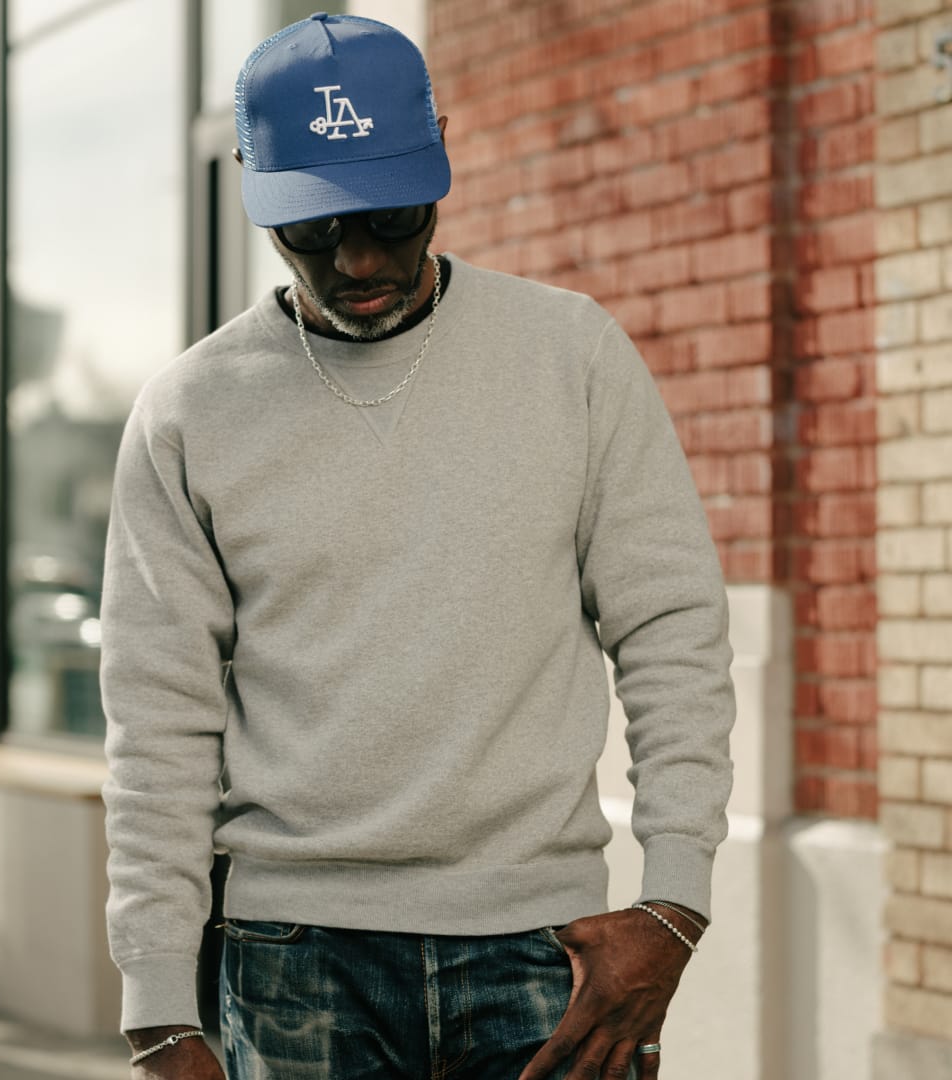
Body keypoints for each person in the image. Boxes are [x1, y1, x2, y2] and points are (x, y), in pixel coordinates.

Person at [99, 14, 732, 1080]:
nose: (356, 259)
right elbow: (157, 717)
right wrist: (160, 1001)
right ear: (258, 194)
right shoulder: (190, 413)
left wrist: (673, 905)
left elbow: (673, 630)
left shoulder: (570, 357)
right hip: (290, 958)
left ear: (439, 154)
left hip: (544, 949)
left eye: (390, 215)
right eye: (310, 228)